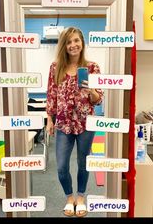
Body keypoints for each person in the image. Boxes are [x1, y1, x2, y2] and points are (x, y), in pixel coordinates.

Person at [46, 27, 103, 217]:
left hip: (86, 123)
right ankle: (69, 197)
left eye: (76, 40)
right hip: (63, 124)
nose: (73, 45)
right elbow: (51, 95)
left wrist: (92, 91)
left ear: (82, 43)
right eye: (69, 42)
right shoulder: (56, 67)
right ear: (64, 45)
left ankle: (80, 197)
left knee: (82, 163)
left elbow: (98, 99)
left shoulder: (92, 67)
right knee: (61, 166)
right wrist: (49, 119)